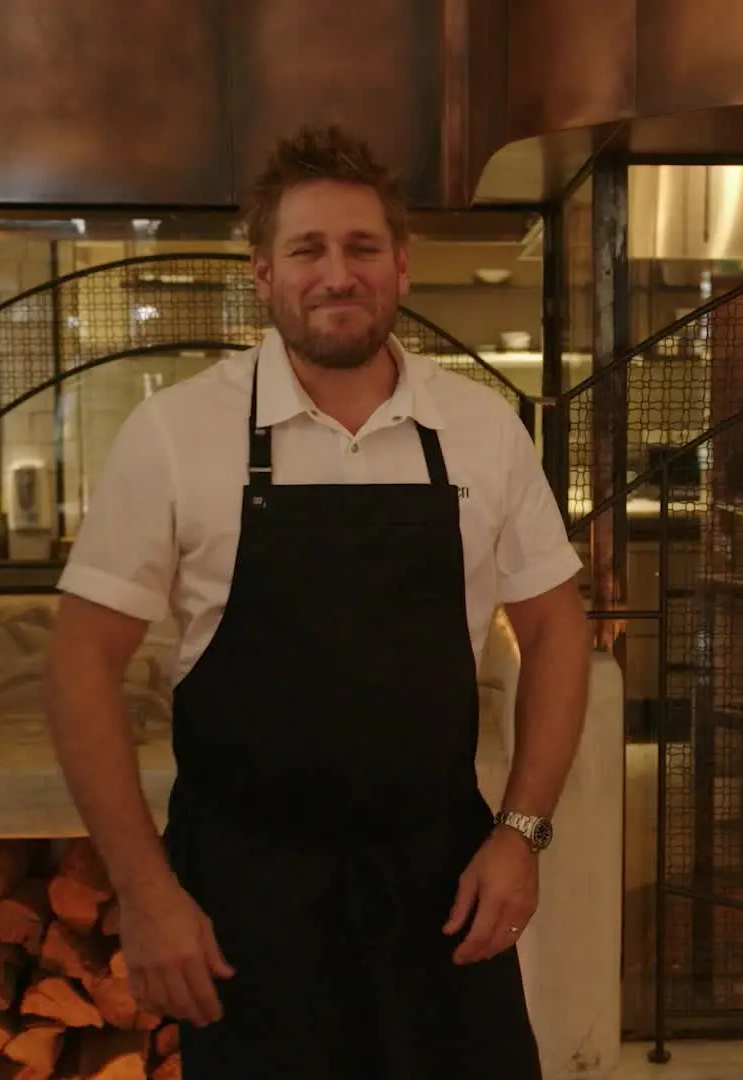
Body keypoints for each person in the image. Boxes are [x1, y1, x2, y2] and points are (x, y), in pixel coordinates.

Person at [42, 124, 592, 1079]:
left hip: (442, 882)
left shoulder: (480, 429)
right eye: (307, 249)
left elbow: (556, 627)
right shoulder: (175, 434)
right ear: (263, 274)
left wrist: (522, 832)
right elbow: (79, 660)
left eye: (362, 247)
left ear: (402, 267)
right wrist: (145, 891)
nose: (337, 273)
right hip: (244, 900)